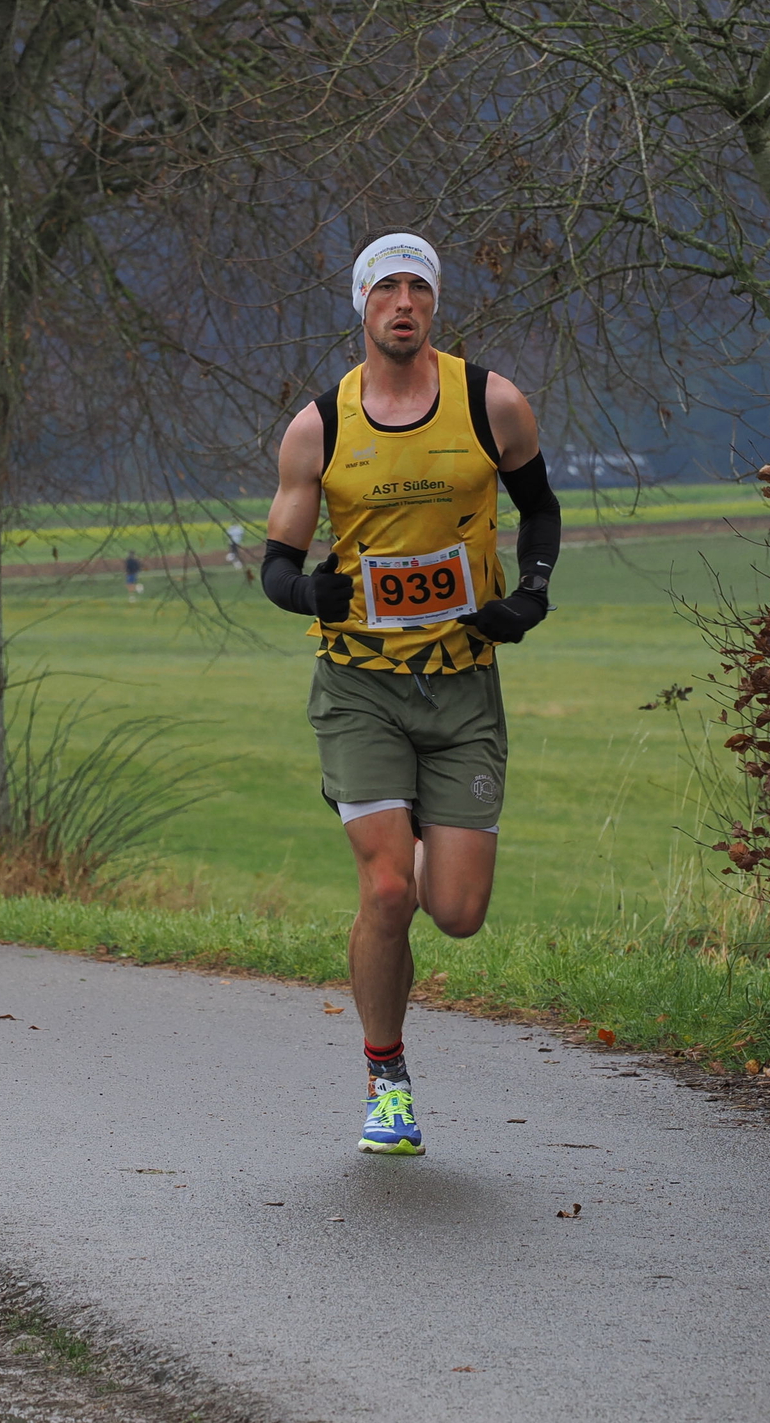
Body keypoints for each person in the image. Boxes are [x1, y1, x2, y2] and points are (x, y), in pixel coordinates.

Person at [261, 232, 560, 1156]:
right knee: (388, 890)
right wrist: (309, 594)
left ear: (434, 305)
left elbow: (540, 508)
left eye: (418, 289)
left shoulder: (491, 402)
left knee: (458, 914)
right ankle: (386, 1082)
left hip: (463, 685)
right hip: (361, 685)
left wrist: (531, 594)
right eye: (386, 287)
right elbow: (277, 565)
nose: (403, 303)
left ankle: (422, 828)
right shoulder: (320, 426)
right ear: (362, 304)